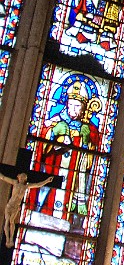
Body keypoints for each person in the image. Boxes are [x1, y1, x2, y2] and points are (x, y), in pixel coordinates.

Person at [32, 76, 101, 219]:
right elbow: (41, 148)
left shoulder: (89, 130)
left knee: (66, 211)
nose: (72, 110)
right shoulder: (56, 122)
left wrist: (87, 142)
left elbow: (90, 164)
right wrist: (54, 134)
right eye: (70, 105)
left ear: (84, 109)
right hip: (52, 173)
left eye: (77, 106)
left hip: (72, 182)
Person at [0, 172, 53, 246]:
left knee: (11, 222)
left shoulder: (26, 186)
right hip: (10, 205)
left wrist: (47, 181)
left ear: (25, 180)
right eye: (21, 177)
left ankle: (11, 239)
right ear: (18, 177)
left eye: (24, 178)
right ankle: (7, 240)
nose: (22, 179)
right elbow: (3, 177)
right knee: (7, 221)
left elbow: (37, 185)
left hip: (16, 207)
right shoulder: (15, 183)